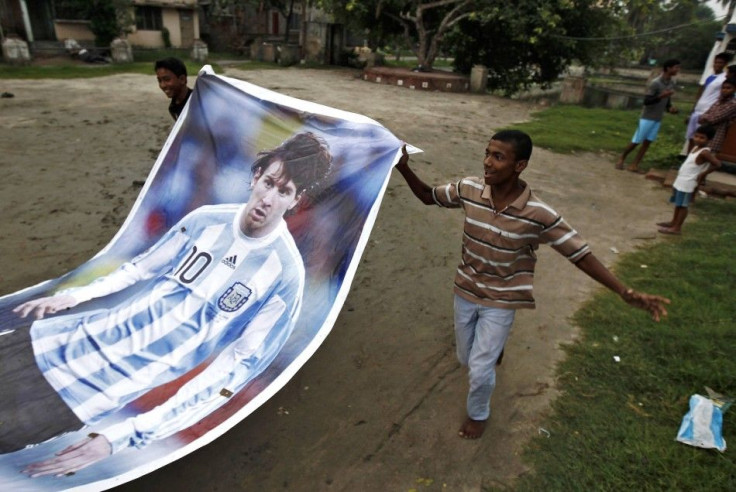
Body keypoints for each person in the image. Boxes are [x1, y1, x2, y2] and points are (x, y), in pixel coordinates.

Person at [5, 132, 332, 477]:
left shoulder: (285, 277)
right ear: (255, 177)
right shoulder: (204, 220)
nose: (268, 198)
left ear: (296, 201)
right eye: (268, 182)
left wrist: (127, 435)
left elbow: (235, 370)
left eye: (283, 192)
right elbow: (139, 268)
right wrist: (75, 296)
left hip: (80, 396)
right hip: (48, 340)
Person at [395, 130, 669, 440]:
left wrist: (624, 291)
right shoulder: (469, 189)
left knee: (480, 369)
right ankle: (492, 349)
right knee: (465, 357)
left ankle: (478, 414)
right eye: (487, 153)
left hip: (502, 300)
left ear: (520, 165)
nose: (487, 162)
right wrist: (403, 167)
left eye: (498, 157)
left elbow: (578, 254)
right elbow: (428, 196)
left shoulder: (539, 214)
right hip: (466, 290)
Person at [616, 59, 681, 172]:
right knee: (637, 140)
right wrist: (661, 96)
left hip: (658, 117)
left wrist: (670, 108)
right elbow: (647, 101)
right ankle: (622, 157)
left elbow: (667, 99)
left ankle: (634, 164)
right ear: (668, 68)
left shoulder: (671, 83)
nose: (678, 70)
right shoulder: (656, 83)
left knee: (647, 142)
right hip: (647, 117)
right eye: (676, 67)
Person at [657, 125, 721, 235]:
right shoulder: (695, 148)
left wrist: (703, 174)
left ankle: (677, 227)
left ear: (709, 140)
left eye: (702, 138)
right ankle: (673, 222)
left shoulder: (705, 152)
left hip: (688, 183)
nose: (697, 139)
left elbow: (717, 164)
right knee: (678, 203)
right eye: (696, 136)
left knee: (683, 206)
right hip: (681, 180)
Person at [684, 53, 732, 152]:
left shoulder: (724, 79)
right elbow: (702, 95)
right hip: (698, 110)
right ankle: (688, 159)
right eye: (716, 62)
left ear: (725, 64)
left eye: (720, 63)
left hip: (707, 112)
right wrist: (692, 111)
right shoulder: (710, 77)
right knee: (692, 137)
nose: (717, 65)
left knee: (701, 139)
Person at [697, 77, 736, 154]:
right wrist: (705, 117)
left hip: (715, 138)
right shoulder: (718, 101)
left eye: (728, 88)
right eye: (723, 88)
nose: (725, 90)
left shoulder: (733, 104)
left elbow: (714, 119)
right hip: (705, 136)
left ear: (734, 89)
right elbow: (702, 117)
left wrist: (705, 117)